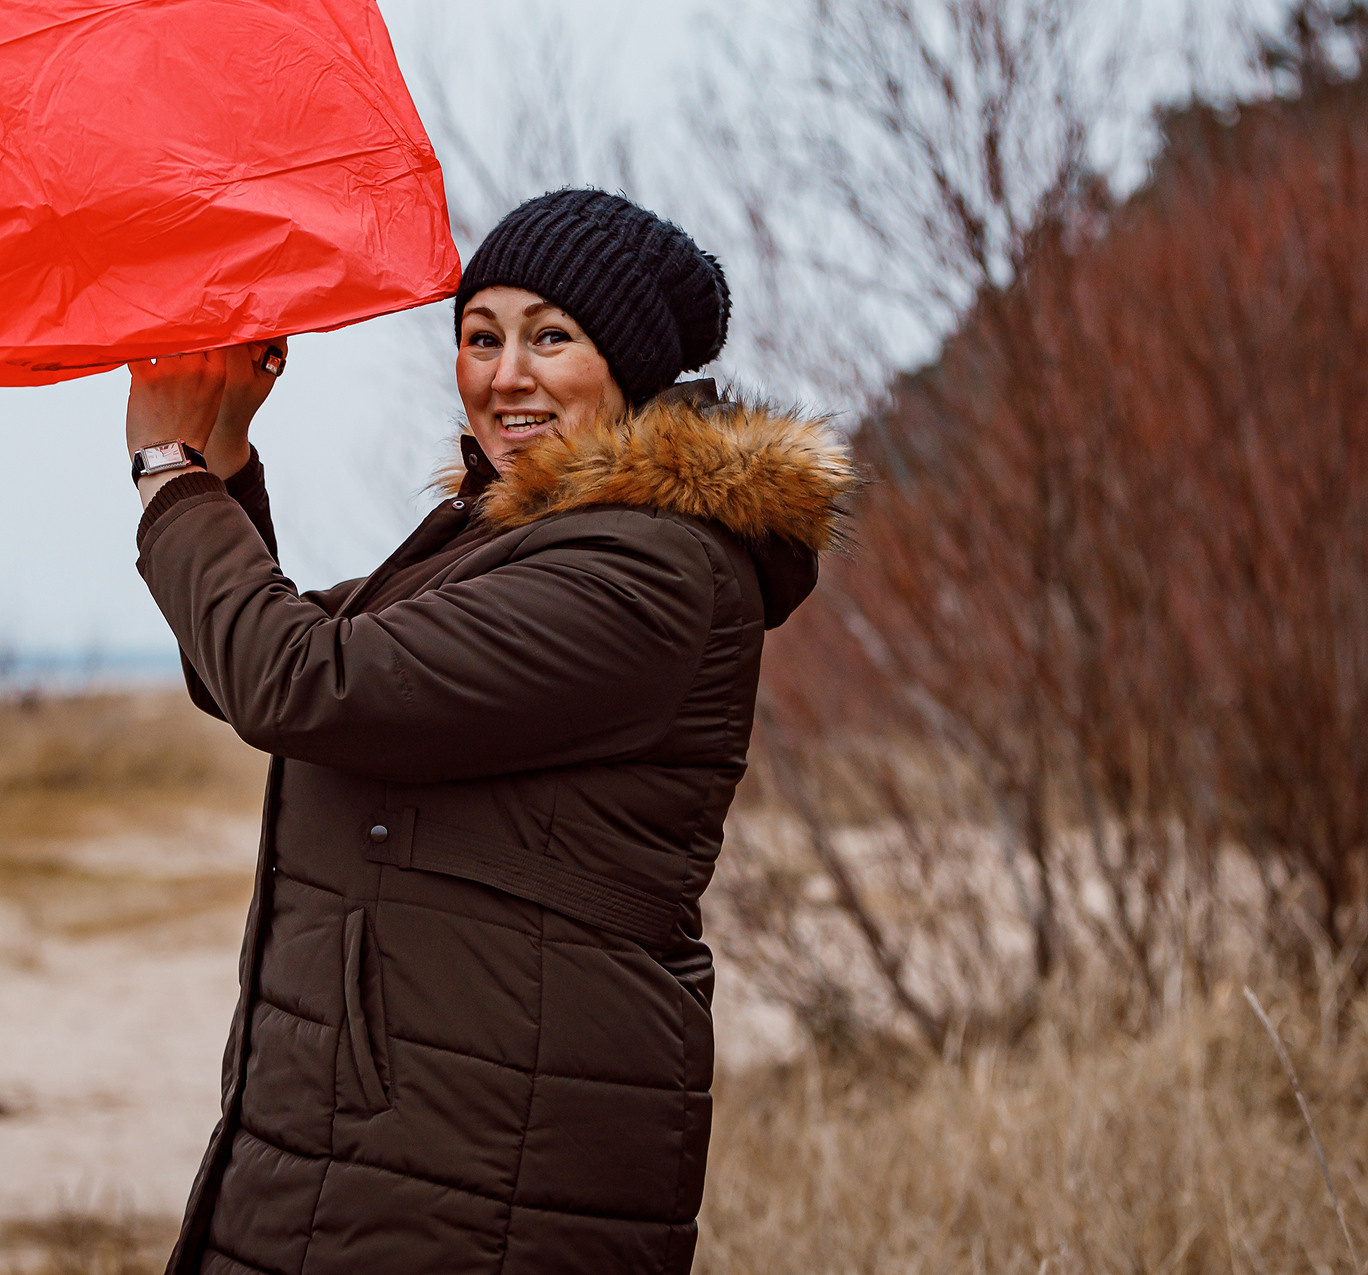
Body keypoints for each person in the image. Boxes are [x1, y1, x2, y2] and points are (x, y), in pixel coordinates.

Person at [122, 188, 856, 1275]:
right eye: (479, 335)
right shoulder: (502, 541)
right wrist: (222, 455)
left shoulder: (648, 568)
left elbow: (303, 684)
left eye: (550, 336)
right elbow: (247, 670)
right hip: (394, 1131)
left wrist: (167, 472)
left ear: (628, 367)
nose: (503, 373)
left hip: (487, 1160)